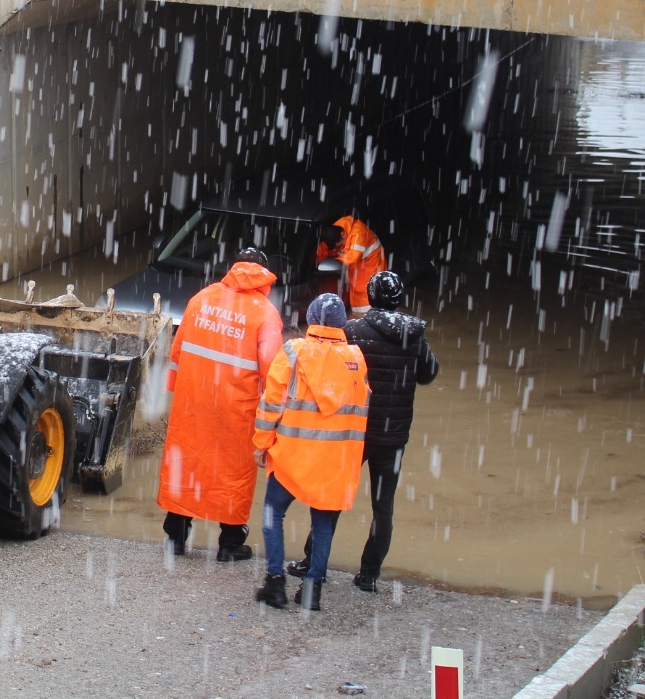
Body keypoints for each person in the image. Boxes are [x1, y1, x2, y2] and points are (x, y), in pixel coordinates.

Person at [288, 270, 439, 592]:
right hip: (394, 434)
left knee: (331, 496)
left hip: (353, 430)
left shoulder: (353, 330)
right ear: (399, 299)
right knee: (383, 507)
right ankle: (369, 574)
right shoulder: (414, 334)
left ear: (369, 297)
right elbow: (429, 374)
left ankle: (313, 563)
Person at [158, 247, 284, 563]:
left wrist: (177, 390)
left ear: (232, 268)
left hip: (193, 402)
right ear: (264, 277)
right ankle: (229, 543)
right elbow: (273, 372)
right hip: (236, 410)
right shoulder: (265, 314)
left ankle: (175, 538)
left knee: (186, 465)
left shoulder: (201, 299)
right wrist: (274, 416)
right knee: (233, 473)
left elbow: (176, 353)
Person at [252, 293, 369, 611]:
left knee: (273, 513)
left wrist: (261, 444)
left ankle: (275, 583)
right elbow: (360, 413)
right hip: (334, 462)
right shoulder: (356, 359)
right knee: (322, 524)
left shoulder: (294, 351)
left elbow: (271, 403)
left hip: (292, 458)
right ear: (342, 324)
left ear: (312, 320)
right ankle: (312, 590)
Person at [316, 216, 387, 313]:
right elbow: (324, 250)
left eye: (341, 244)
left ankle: (369, 315)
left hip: (371, 265)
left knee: (367, 299)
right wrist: (320, 262)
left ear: (343, 234)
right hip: (357, 269)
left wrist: (336, 260)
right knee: (358, 299)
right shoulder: (334, 233)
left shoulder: (358, 233)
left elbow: (352, 258)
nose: (342, 246)